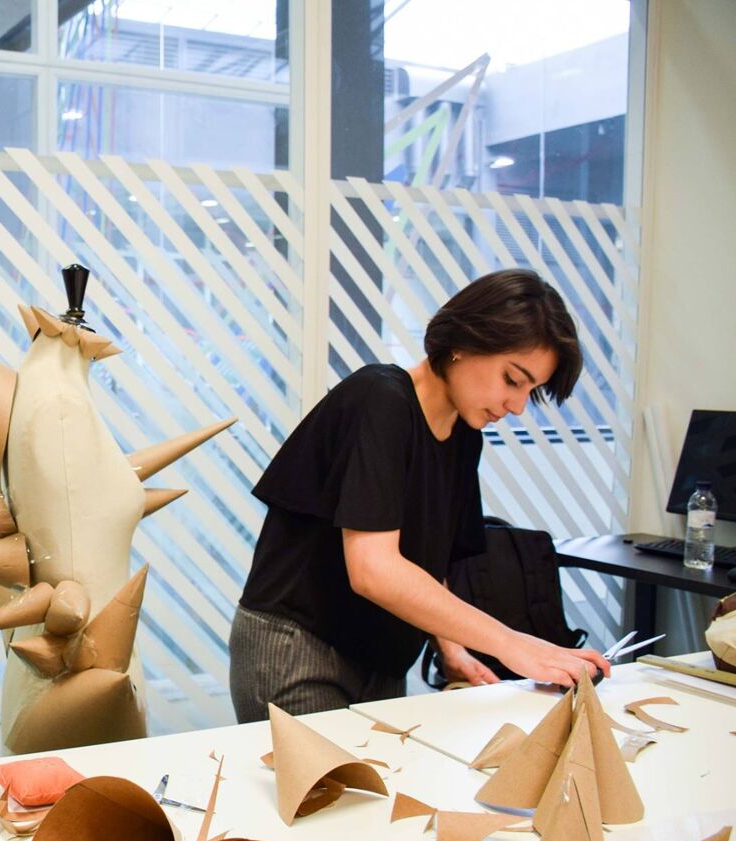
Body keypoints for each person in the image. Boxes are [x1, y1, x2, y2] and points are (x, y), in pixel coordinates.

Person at [230, 269, 611, 721]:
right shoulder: (381, 399)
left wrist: (452, 649)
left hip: (382, 660)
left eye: (531, 391)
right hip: (302, 649)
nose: (517, 406)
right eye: (512, 379)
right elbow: (374, 569)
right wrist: (513, 645)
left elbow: (428, 563)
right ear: (465, 342)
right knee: (330, 791)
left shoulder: (465, 435)